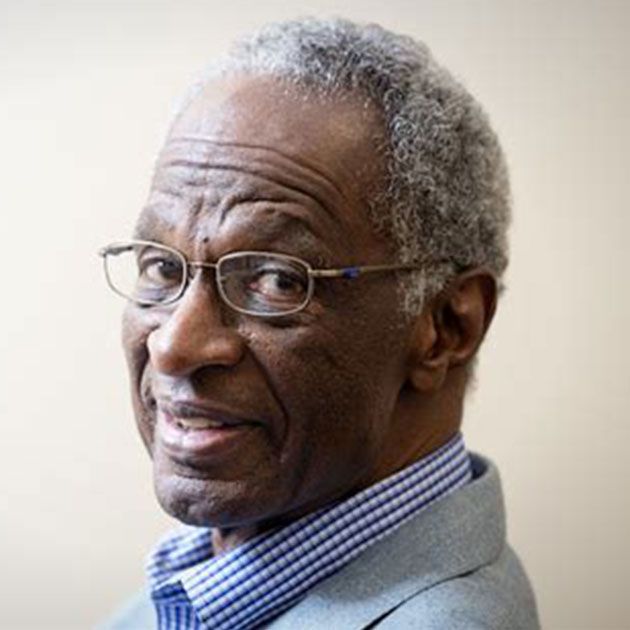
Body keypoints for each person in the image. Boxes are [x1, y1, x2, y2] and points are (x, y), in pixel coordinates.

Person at [99, 17, 539, 630]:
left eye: (277, 279)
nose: (175, 345)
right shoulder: (189, 594)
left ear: (446, 327)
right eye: (161, 267)